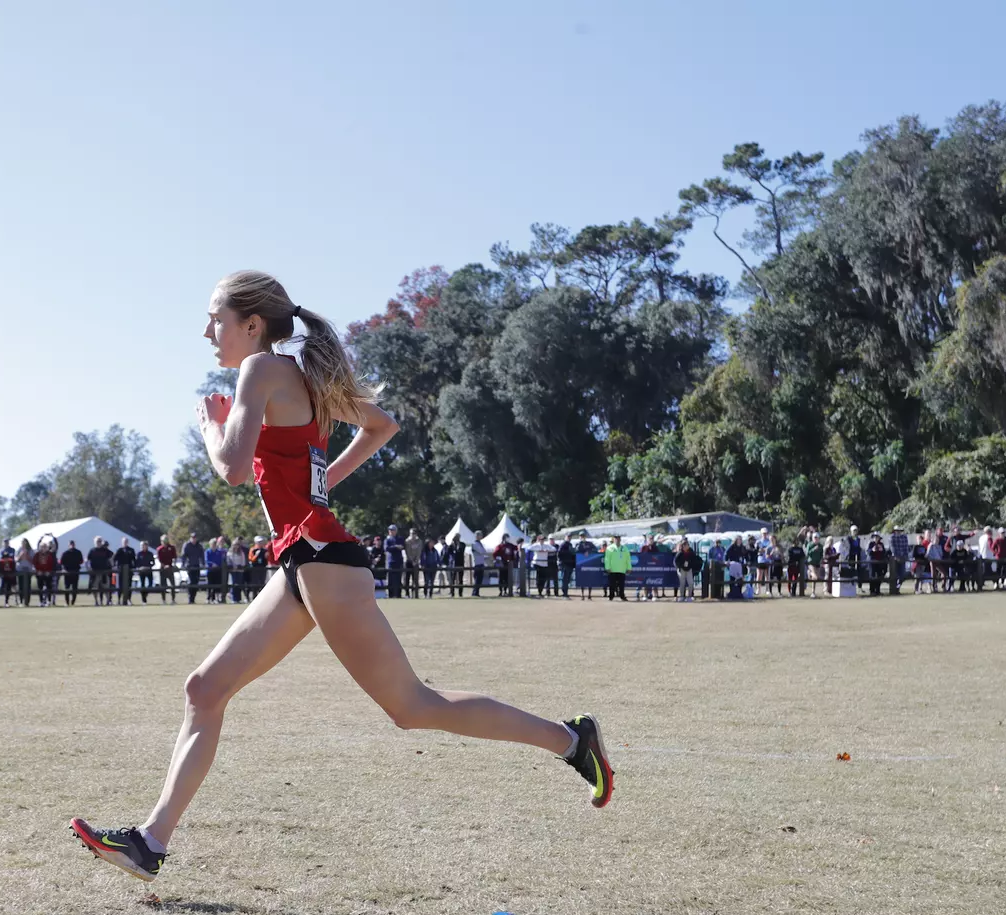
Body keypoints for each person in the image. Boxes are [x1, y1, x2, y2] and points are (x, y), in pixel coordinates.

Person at [69, 270, 612, 882]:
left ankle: (571, 740)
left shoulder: (261, 371)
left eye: (215, 319)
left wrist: (209, 425)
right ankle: (150, 842)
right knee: (204, 690)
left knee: (412, 706)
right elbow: (383, 426)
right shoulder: (305, 380)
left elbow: (232, 469)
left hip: (322, 563)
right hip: (302, 561)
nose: (207, 332)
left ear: (252, 325)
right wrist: (319, 492)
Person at [87, 537, 114, 606]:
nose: (98, 542)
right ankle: (96, 602)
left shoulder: (105, 550)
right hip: (95, 572)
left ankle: (108, 601)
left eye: (99, 541)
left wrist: (111, 564)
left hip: (104, 572)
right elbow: (87, 560)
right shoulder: (92, 550)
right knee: (95, 587)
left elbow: (112, 555)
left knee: (106, 588)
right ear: (94, 542)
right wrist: (88, 567)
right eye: (97, 541)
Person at [604, 535, 630, 601]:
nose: (617, 540)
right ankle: (611, 596)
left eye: (618, 539)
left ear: (620, 540)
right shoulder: (609, 548)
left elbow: (628, 559)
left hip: (622, 569)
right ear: (614, 540)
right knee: (612, 584)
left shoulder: (625, 548)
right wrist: (607, 567)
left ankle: (622, 596)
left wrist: (629, 567)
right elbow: (607, 559)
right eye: (616, 539)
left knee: (621, 585)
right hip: (612, 570)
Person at [180, 533, 204, 604]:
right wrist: (183, 564)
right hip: (189, 566)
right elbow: (183, 555)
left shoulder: (199, 546)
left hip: (197, 566)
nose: (194, 539)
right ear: (190, 538)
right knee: (191, 582)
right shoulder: (187, 545)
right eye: (192, 538)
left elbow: (202, 555)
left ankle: (193, 598)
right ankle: (190, 598)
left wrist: (203, 564)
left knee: (196, 582)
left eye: (195, 538)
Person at [59, 539, 84, 606]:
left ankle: (72, 602)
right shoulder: (66, 553)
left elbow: (81, 561)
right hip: (68, 572)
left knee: (74, 588)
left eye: (72, 544)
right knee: (68, 588)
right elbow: (61, 562)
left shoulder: (77, 552)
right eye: (71, 544)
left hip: (74, 572)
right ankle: (68, 602)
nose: (72, 545)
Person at [675, 538, 700, 602]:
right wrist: (680, 567)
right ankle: (682, 596)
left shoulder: (691, 552)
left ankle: (689, 596)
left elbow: (694, 559)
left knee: (691, 583)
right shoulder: (680, 552)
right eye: (685, 545)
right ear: (683, 546)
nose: (686, 546)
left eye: (687, 545)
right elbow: (676, 561)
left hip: (689, 569)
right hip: (682, 570)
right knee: (682, 583)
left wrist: (691, 566)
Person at [35, 539, 59, 606]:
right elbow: (35, 563)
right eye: (42, 547)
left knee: (49, 587)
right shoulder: (37, 554)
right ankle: (41, 602)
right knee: (40, 588)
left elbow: (51, 563)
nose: (43, 548)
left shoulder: (50, 554)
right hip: (40, 573)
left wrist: (49, 571)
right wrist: (38, 571)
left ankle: (48, 601)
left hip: (48, 573)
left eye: (45, 547)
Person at [114, 537, 138, 606]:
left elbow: (134, 560)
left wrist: (134, 567)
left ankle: (129, 599)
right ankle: (119, 600)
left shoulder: (131, 550)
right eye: (124, 541)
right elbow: (114, 559)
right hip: (121, 570)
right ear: (122, 542)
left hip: (129, 570)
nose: (125, 543)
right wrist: (115, 566)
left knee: (129, 585)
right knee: (120, 585)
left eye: (126, 541)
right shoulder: (119, 550)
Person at [384, 524, 404, 598]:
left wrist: (394, 547)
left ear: (396, 531)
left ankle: (398, 594)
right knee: (390, 580)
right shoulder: (387, 539)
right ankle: (391, 595)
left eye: (393, 530)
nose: (391, 532)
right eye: (390, 530)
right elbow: (386, 548)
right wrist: (396, 546)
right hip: (390, 562)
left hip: (398, 561)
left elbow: (402, 546)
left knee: (398, 579)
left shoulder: (400, 538)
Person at [402, 528, 423, 599]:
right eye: (411, 533)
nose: (412, 535)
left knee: (415, 579)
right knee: (406, 579)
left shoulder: (419, 541)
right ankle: (407, 594)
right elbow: (408, 552)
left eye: (414, 533)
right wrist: (412, 561)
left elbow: (419, 552)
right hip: (408, 562)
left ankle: (415, 594)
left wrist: (416, 561)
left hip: (416, 562)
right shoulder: (407, 541)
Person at [156, 535, 178, 604]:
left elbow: (174, 557)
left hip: (170, 568)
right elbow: (159, 559)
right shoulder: (159, 549)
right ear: (161, 541)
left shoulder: (172, 548)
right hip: (163, 569)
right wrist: (164, 566)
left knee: (172, 585)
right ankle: (163, 600)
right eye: (163, 541)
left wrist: (172, 564)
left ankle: (173, 600)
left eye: (166, 540)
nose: (165, 542)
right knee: (163, 585)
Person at [14, 538, 35, 606]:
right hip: (20, 570)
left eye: (25, 542)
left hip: (28, 570)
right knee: (20, 586)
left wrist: (27, 555)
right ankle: (21, 601)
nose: (24, 544)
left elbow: (33, 561)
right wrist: (21, 555)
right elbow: (16, 560)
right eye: (22, 542)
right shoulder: (19, 549)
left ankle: (27, 602)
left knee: (28, 586)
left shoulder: (31, 550)